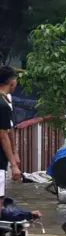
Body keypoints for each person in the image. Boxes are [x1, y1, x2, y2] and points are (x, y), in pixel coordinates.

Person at [0, 66, 21, 211]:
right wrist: (14, 165)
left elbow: (10, 130)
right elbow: (3, 135)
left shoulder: (6, 101)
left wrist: (14, 153)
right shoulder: (3, 105)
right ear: (12, 83)